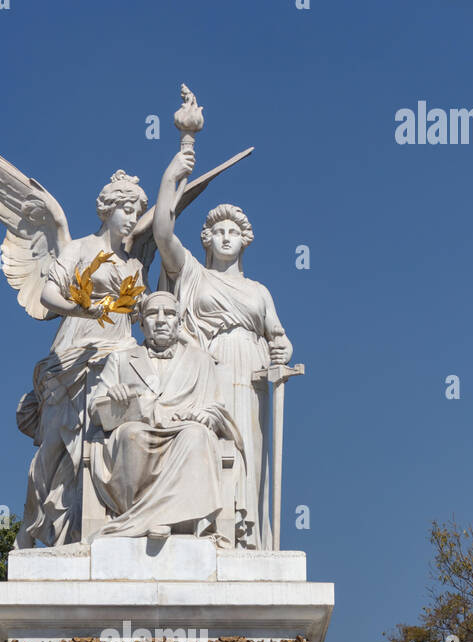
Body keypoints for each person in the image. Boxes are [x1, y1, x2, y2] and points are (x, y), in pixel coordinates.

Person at [153, 150, 293, 548]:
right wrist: (171, 177)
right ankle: (207, 524)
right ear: (207, 240)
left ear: (244, 241)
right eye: (218, 231)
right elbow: (162, 232)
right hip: (208, 368)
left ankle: (244, 534)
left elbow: (279, 337)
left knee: (247, 450)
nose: (226, 236)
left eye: (233, 231)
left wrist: (280, 352)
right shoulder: (193, 273)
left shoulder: (258, 292)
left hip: (250, 372)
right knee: (207, 440)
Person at [17, 170, 148, 547]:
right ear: (107, 210)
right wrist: (85, 308)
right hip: (77, 353)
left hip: (119, 355)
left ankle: (89, 529)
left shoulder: (135, 266)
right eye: (125, 208)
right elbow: (48, 296)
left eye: (137, 210)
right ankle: (28, 531)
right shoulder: (79, 248)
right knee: (55, 449)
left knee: (104, 444)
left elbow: (148, 309)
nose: (131, 217)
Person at [88, 291, 247, 542]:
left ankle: (167, 519)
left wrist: (207, 415)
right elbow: (95, 411)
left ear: (179, 323)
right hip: (138, 431)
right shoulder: (120, 360)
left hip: (183, 429)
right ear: (141, 324)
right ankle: (140, 517)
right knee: (131, 435)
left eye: (169, 314)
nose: (161, 320)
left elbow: (216, 407)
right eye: (152, 314)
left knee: (197, 435)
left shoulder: (201, 361)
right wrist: (113, 398)